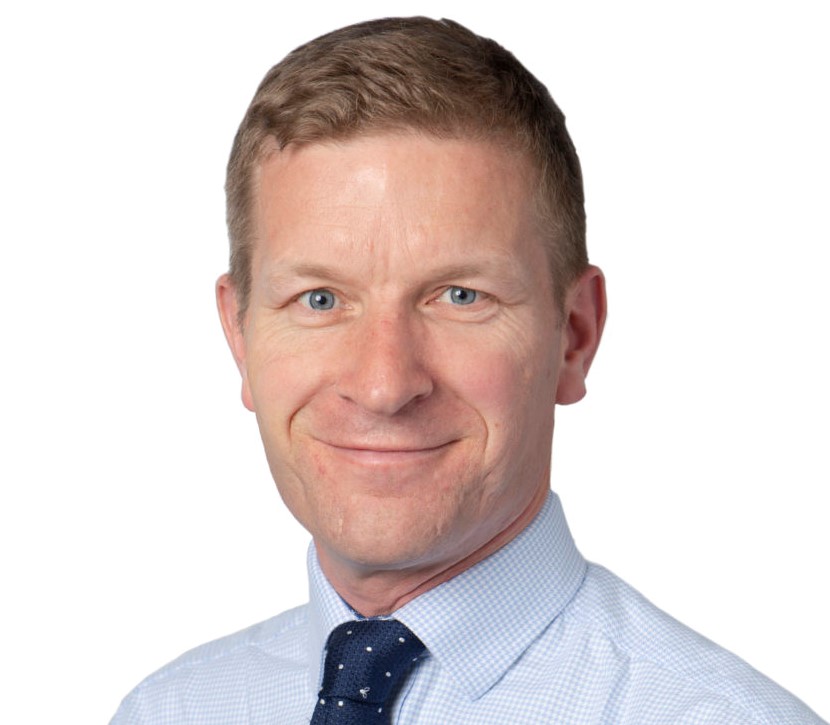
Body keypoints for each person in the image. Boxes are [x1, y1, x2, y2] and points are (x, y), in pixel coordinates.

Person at [111, 16, 825, 724]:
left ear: (574, 334)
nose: (385, 384)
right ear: (240, 333)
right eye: (320, 299)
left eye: (460, 296)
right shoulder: (168, 709)